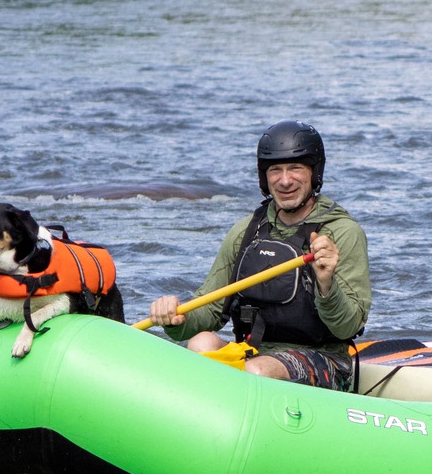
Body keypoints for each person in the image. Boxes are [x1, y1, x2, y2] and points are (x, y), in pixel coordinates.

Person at [148, 122, 371, 389]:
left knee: (256, 371)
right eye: (275, 170)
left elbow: (347, 327)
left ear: (314, 173)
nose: (285, 180)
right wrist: (176, 319)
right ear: (264, 176)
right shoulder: (246, 231)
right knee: (201, 342)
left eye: (296, 168)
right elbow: (210, 309)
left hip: (324, 360)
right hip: (254, 352)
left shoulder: (343, 233)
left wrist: (326, 285)